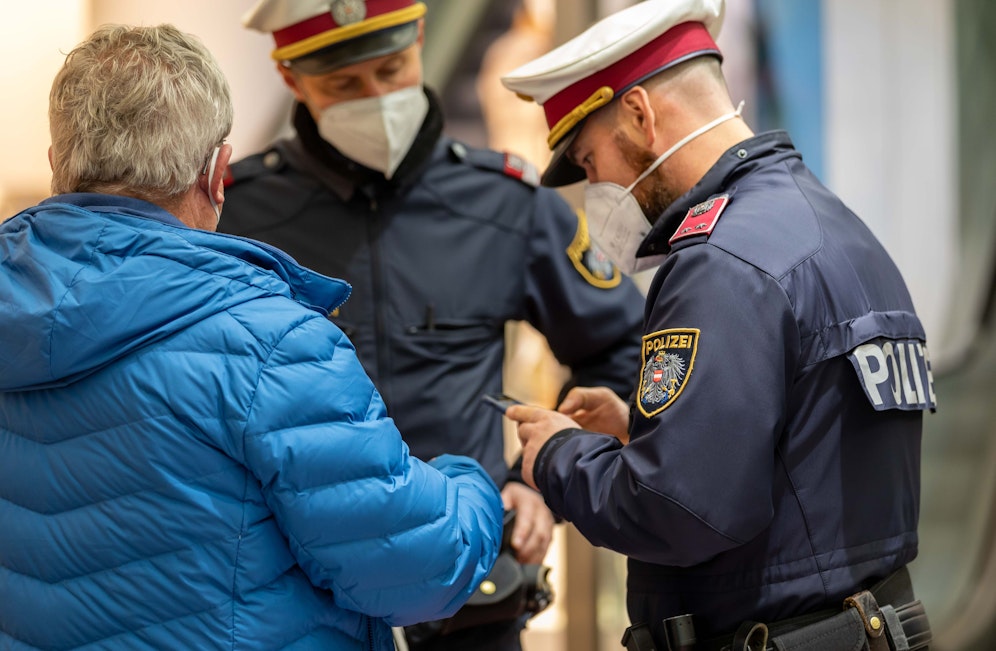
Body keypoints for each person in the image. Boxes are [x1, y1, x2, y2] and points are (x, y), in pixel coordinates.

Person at [0, 24, 504, 651]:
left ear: (57, 165)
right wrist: (474, 481)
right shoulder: (269, 346)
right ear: (217, 173)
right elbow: (416, 572)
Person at [500, 1, 935, 649]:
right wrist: (644, 429)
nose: (596, 191)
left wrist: (558, 452)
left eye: (590, 164)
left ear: (641, 116)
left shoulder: (720, 261)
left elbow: (679, 509)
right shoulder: (836, 229)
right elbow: (803, 444)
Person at [222, 2, 646, 649]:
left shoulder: (504, 203)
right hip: (300, 607)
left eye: (392, 68)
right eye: (344, 84)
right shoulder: (239, 218)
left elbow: (620, 350)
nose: (376, 97)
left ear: (420, 37)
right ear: (291, 78)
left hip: (474, 601)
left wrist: (540, 479)